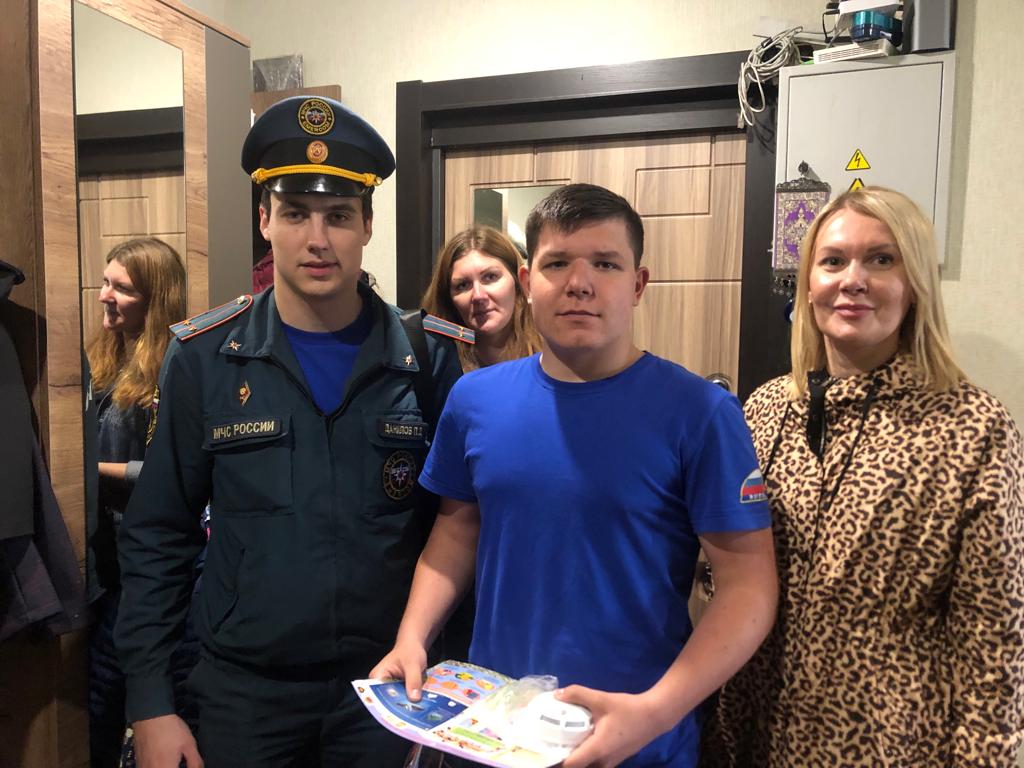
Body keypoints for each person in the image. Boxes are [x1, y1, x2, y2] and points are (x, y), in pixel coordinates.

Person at [114, 96, 469, 768]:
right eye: (296, 213)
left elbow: (457, 527)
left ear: (367, 224)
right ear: (264, 220)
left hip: (386, 687)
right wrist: (151, 702)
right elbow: (158, 535)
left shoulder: (427, 357)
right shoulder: (204, 357)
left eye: (339, 215)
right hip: (245, 697)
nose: (317, 238)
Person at [372, 183, 779, 767]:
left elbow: (749, 588)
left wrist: (658, 710)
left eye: (606, 264)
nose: (579, 283)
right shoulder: (475, 400)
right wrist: (412, 637)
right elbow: (456, 533)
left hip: (635, 739)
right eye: (557, 263)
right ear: (528, 279)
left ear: (638, 284)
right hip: (491, 731)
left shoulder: (701, 413)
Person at [702, 186, 1024, 767]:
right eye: (833, 261)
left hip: (888, 743)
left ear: (914, 284)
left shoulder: (972, 425)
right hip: (751, 730)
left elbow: (994, 640)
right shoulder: (765, 409)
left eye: (881, 259)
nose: (853, 280)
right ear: (808, 285)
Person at [84, 237, 186, 768]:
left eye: (121, 288)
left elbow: (175, 475)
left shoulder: (176, 370)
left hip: (147, 575)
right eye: (105, 282)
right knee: (96, 712)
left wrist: (90, 473)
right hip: (101, 572)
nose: (105, 295)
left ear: (155, 298)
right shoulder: (100, 360)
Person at [420, 226, 540, 370]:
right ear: (448, 299)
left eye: (490, 277)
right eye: (463, 285)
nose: (478, 296)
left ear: (519, 281)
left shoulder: (553, 352)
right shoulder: (436, 365)